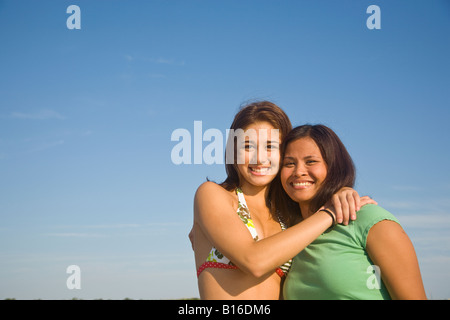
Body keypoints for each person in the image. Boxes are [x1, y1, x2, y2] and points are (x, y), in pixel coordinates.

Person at [193, 101, 375, 299]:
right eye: (247, 146)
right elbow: (253, 261)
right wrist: (329, 212)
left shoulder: (288, 216)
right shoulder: (212, 194)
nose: (259, 158)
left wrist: (341, 191)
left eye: (271, 146)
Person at [276, 124, 427, 300]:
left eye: (311, 161)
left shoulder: (368, 219)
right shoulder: (288, 234)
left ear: (334, 167)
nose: (298, 172)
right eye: (289, 163)